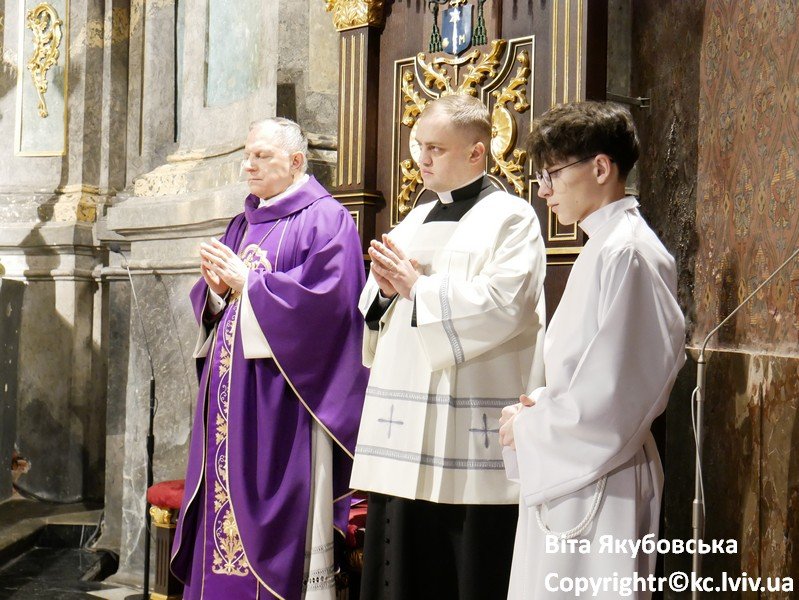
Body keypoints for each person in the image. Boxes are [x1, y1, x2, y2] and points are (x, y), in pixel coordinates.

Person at [349, 94, 547, 599]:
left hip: (469, 437)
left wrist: (417, 288)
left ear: (477, 152)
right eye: (419, 146)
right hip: (403, 435)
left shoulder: (511, 218)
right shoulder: (412, 220)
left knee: (466, 569)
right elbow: (376, 310)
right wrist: (385, 293)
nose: (422, 158)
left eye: (435, 148)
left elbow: (507, 304)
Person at [171, 117, 369, 600]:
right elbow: (221, 300)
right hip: (229, 398)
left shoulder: (327, 220)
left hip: (283, 400)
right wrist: (216, 292)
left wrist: (251, 285)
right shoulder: (244, 222)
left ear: (296, 161)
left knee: (269, 519)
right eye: (247, 155)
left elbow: (331, 306)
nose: (248, 166)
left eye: (261, 156)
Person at [499, 101, 686, 599]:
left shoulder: (627, 251)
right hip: (580, 465)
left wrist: (532, 426)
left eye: (552, 174)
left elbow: (620, 391)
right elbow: (590, 370)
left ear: (601, 168)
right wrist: (540, 404)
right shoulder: (605, 245)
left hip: (602, 469)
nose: (543, 191)